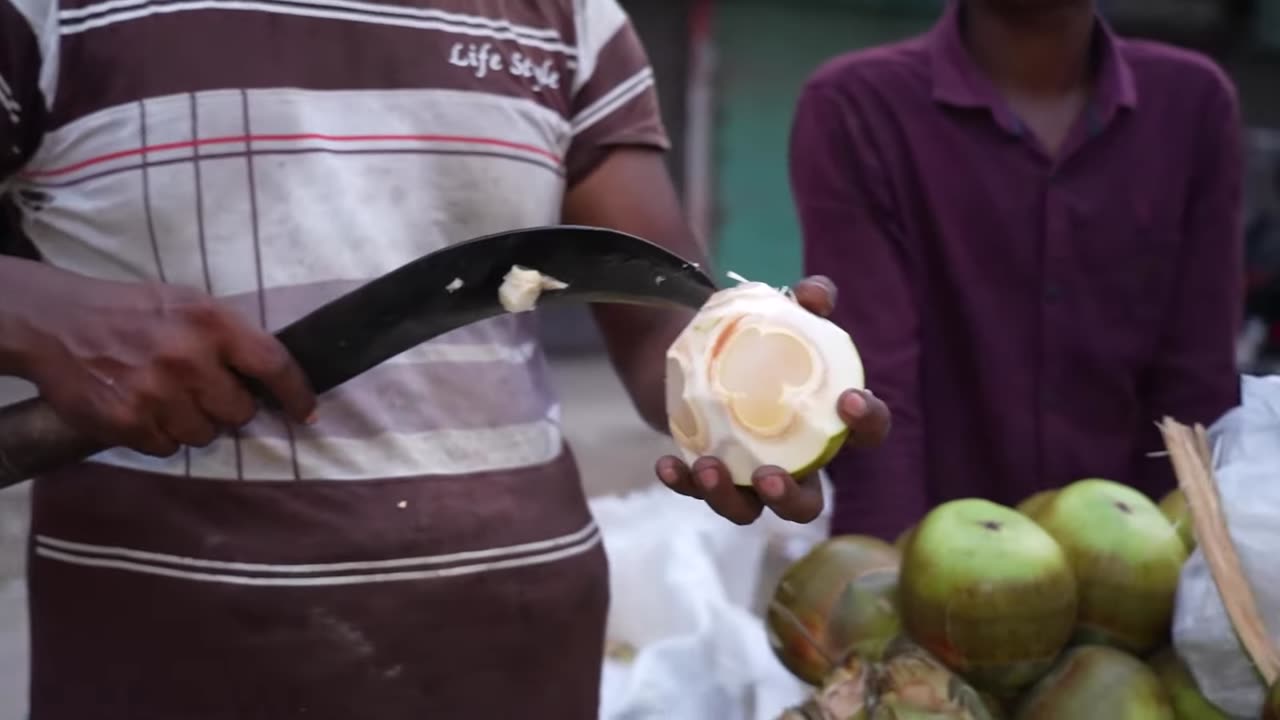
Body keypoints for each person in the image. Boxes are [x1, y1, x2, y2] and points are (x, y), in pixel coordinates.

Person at [0, 0, 890, 716]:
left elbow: (663, 320)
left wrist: (745, 410)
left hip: (517, 649)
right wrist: (32, 308)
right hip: (170, 654)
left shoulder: (571, 20)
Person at [790, 0, 1243, 541]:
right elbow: (876, 387)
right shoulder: (857, 107)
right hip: (935, 575)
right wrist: (883, 585)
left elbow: (1197, 385)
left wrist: (1188, 577)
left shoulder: (1192, 106)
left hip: (1144, 574)